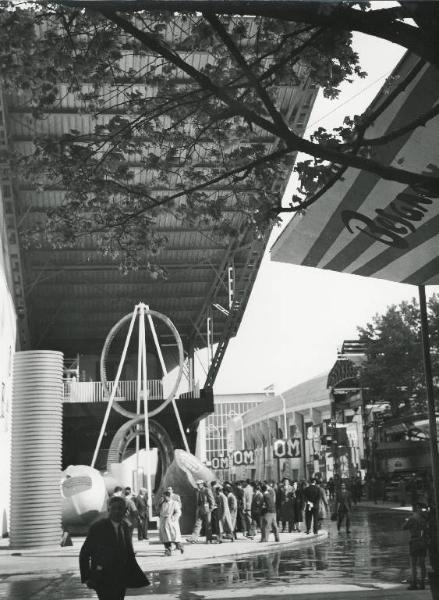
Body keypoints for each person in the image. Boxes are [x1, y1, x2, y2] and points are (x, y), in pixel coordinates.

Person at [79, 495, 149, 600]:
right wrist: (87, 577)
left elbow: (128, 551)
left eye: (120, 508)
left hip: (121, 577)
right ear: (108, 510)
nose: (117, 511)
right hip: (102, 577)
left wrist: (133, 573)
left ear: (125, 511)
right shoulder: (98, 527)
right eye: (114, 508)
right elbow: (84, 553)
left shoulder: (126, 527)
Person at [403, 503, 429, 590]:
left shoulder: (413, 518)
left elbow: (404, 527)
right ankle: (422, 583)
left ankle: (414, 583)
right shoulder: (426, 518)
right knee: (422, 564)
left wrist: (407, 520)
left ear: (417, 508)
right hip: (424, 542)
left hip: (415, 542)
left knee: (413, 564)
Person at [159, 490, 184, 555]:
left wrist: (173, 518)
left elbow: (178, 512)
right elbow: (161, 512)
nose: (164, 498)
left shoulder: (174, 503)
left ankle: (180, 546)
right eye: (163, 497)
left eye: (165, 497)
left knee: (173, 537)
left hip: (171, 523)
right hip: (164, 522)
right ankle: (168, 551)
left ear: (169, 497)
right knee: (165, 538)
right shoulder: (163, 504)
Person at [189, 479, 215, 543]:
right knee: (197, 524)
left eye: (199, 484)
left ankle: (209, 539)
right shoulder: (198, 491)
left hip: (207, 509)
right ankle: (193, 538)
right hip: (199, 509)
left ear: (202, 484)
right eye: (197, 484)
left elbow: (211, 500)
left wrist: (210, 509)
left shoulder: (207, 490)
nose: (197, 485)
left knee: (208, 524)